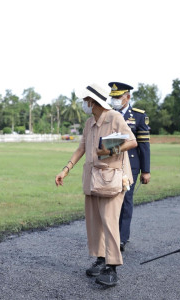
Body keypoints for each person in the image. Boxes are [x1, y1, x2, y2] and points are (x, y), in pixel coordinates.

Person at [55, 83, 137, 286]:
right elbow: (81, 147)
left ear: (93, 101)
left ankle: (112, 267)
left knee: (109, 222)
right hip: (92, 178)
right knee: (95, 222)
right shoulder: (90, 122)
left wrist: (110, 151)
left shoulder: (115, 118)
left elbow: (132, 141)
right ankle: (101, 259)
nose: (84, 104)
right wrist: (66, 169)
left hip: (112, 178)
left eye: (85, 101)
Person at [108, 82, 151, 251]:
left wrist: (146, 171)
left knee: (126, 201)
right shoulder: (110, 115)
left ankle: (122, 238)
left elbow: (144, 145)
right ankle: (111, 234)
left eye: (118, 97)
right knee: (111, 199)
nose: (115, 100)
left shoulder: (139, 116)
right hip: (112, 164)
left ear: (128, 97)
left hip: (131, 166)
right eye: (113, 97)